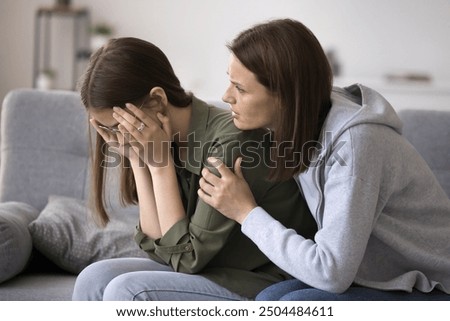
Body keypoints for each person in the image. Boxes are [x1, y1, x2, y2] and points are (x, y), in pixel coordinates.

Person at [198, 19, 450, 300]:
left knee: (293, 305)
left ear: (285, 95)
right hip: (372, 275)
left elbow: (330, 273)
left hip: (433, 283)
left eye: (240, 89)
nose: (226, 96)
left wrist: (245, 212)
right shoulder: (302, 121)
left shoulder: (355, 144)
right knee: (269, 298)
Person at [71, 37, 317, 301]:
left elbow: (186, 259)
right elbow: (157, 247)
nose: (118, 139)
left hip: (262, 280)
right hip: (213, 271)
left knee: (127, 291)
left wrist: (160, 165)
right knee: (93, 278)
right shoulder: (163, 140)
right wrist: (136, 159)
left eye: (119, 128)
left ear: (156, 100)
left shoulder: (231, 143)